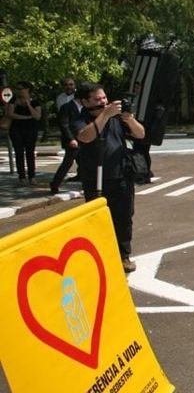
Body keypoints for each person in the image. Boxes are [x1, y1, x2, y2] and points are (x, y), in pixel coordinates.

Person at [72, 82, 145, 273]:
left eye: (104, 97)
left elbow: (140, 134)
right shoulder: (81, 119)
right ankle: (100, 255)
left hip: (121, 176)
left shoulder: (117, 118)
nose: (103, 102)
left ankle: (123, 255)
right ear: (84, 101)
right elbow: (85, 137)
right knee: (98, 219)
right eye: (97, 99)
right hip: (95, 179)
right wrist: (105, 115)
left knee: (124, 217)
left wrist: (129, 120)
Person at [5, 82, 42, 185]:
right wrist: (25, 117)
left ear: (28, 89)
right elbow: (10, 114)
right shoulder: (13, 100)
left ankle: (32, 176)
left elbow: (37, 116)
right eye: (18, 89)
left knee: (30, 153)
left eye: (21, 89)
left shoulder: (35, 102)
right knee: (19, 152)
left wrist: (28, 104)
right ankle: (22, 177)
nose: (19, 91)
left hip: (31, 129)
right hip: (16, 129)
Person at [50, 94, 84, 194]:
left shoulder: (85, 108)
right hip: (72, 140)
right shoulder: (66, 107)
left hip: (84, 139)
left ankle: (85, 183)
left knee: (84, 162)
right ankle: (55, 184)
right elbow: (64, 124)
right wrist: (71, 139)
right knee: (67, 163)